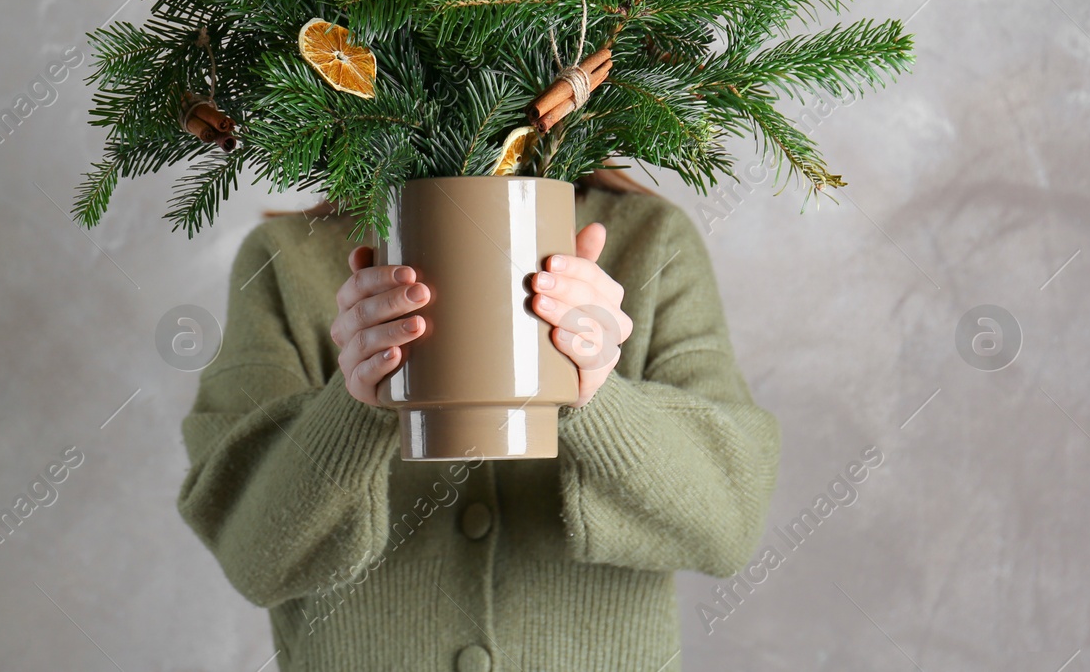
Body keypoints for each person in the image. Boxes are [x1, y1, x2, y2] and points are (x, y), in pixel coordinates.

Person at [177, 167, 781, 671]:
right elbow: (252, 554)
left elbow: (727, 524)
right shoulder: (286, 259)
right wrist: (354, 403)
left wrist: (596, 392)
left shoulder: (651, 239)